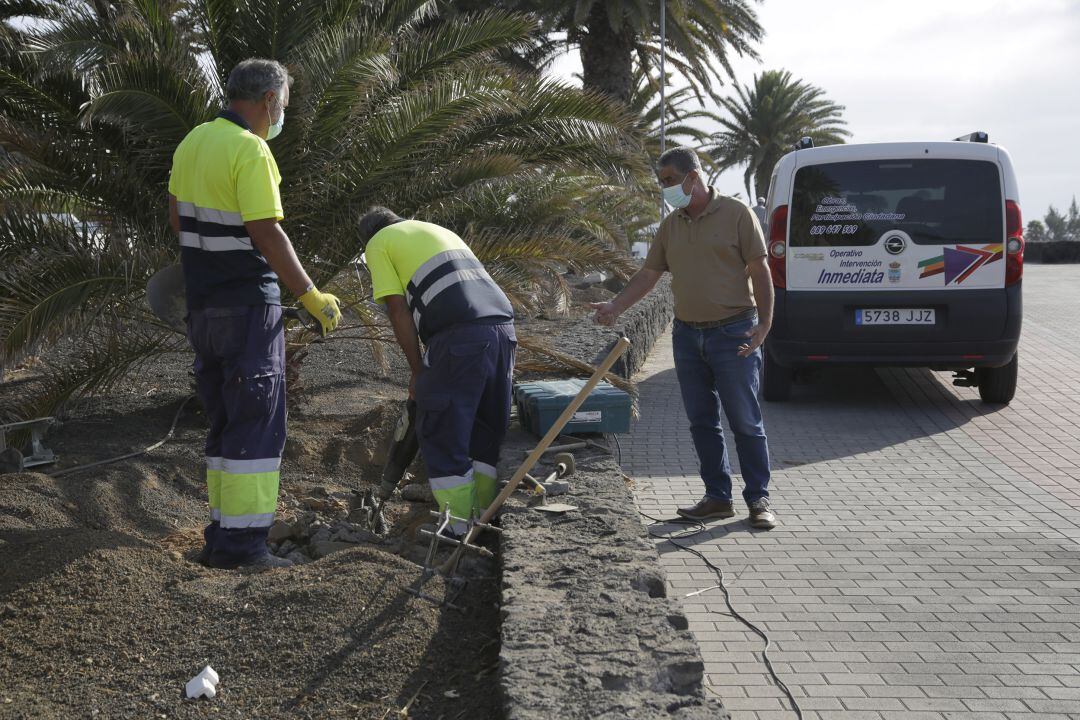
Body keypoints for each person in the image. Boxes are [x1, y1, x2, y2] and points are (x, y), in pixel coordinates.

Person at [168, 58, 342, 568]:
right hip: (247, 306)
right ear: (269, 100)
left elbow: (177, 216)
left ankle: (222, 537)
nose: (282, 113)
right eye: (283, 104)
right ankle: (244, 549)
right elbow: (267, 232)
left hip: (203, 307)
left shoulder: (193, 142)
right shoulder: (251, 150)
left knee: (224, 420)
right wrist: (310, 295)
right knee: (256, 423)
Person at [591, 147, 777, 529]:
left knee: (745, 420)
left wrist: (765, 324)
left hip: (734, 332)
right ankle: (717, 498)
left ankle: (759, 499)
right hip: (687, 335)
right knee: (701, 421)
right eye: (663, 183)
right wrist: (615, 306)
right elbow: (648, 275)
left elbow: (761, 271)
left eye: (671, 181)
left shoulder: (737, 215)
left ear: (694, 176)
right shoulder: (671, 225)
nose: (667, 189)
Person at [357, 208, 516, 536]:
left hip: (458, 337)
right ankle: (484, 518)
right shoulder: (437, 228)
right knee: (485, 433)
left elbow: (397, 311)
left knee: (442, 431)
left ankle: (457, 529)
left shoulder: (379, 242)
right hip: (502, 330)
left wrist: (418, 371)